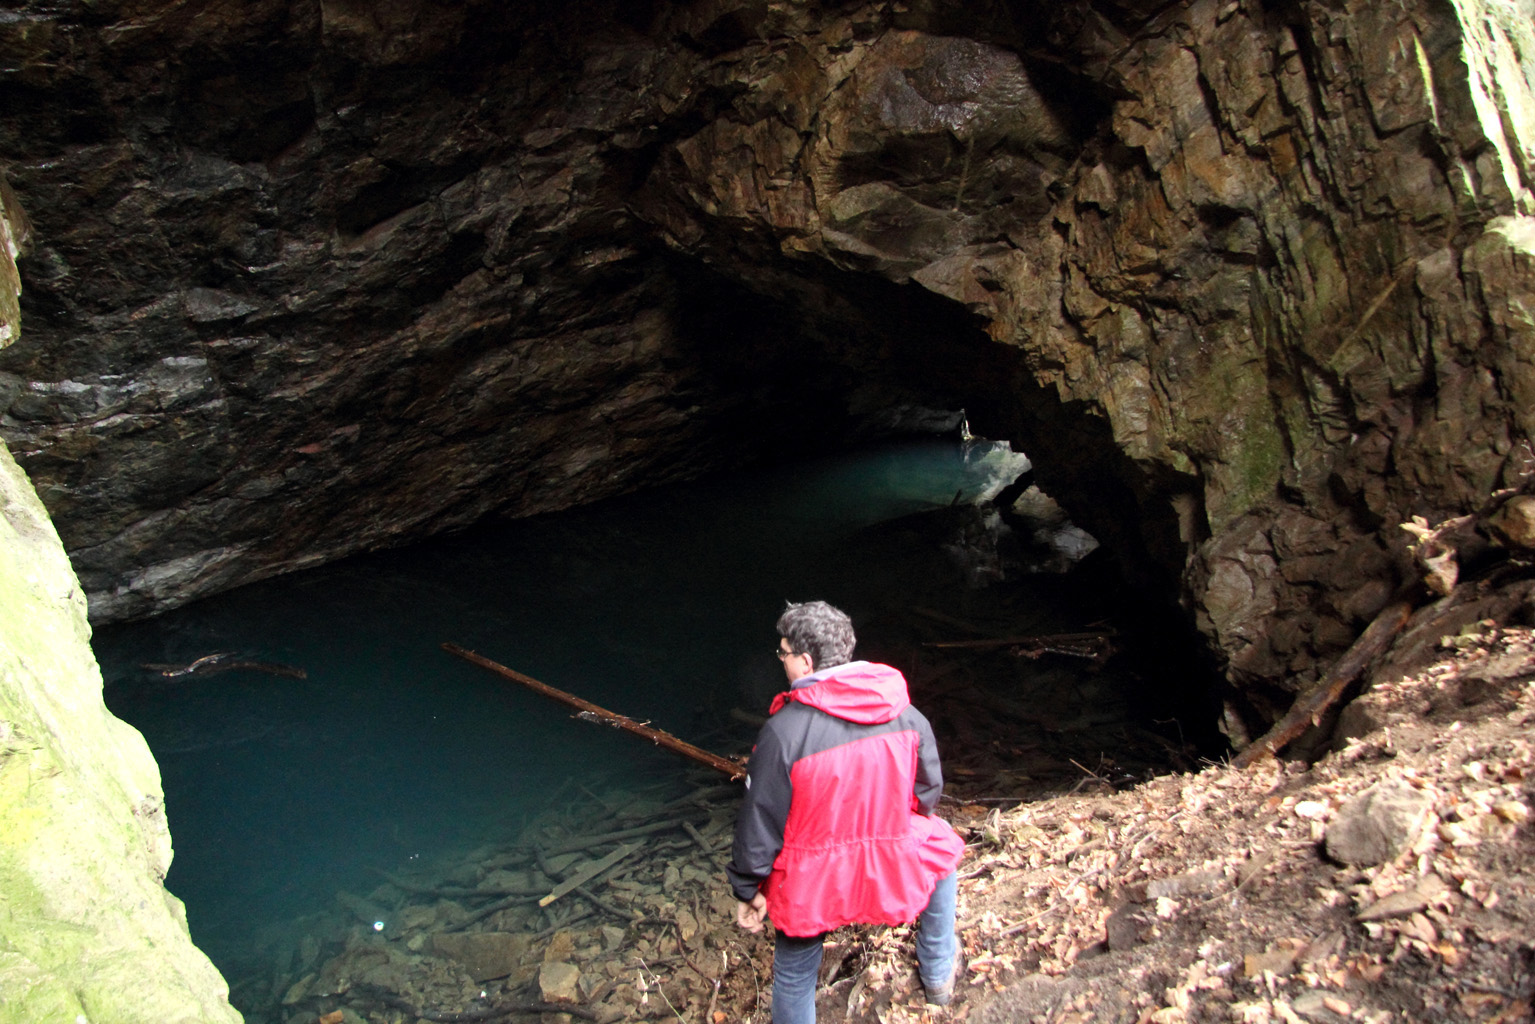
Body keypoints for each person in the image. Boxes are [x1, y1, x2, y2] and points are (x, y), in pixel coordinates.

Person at [728, 600, 965, 1023]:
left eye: (782, 654)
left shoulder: (784, 732)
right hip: (885, 859)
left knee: (795, 975)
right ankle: (939, 975)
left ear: (805, 661)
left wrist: (749, 890)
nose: (781, 661)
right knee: (941, 851)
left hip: (813, 880)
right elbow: (927, 794)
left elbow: (761, 824)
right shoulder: (905, 714)